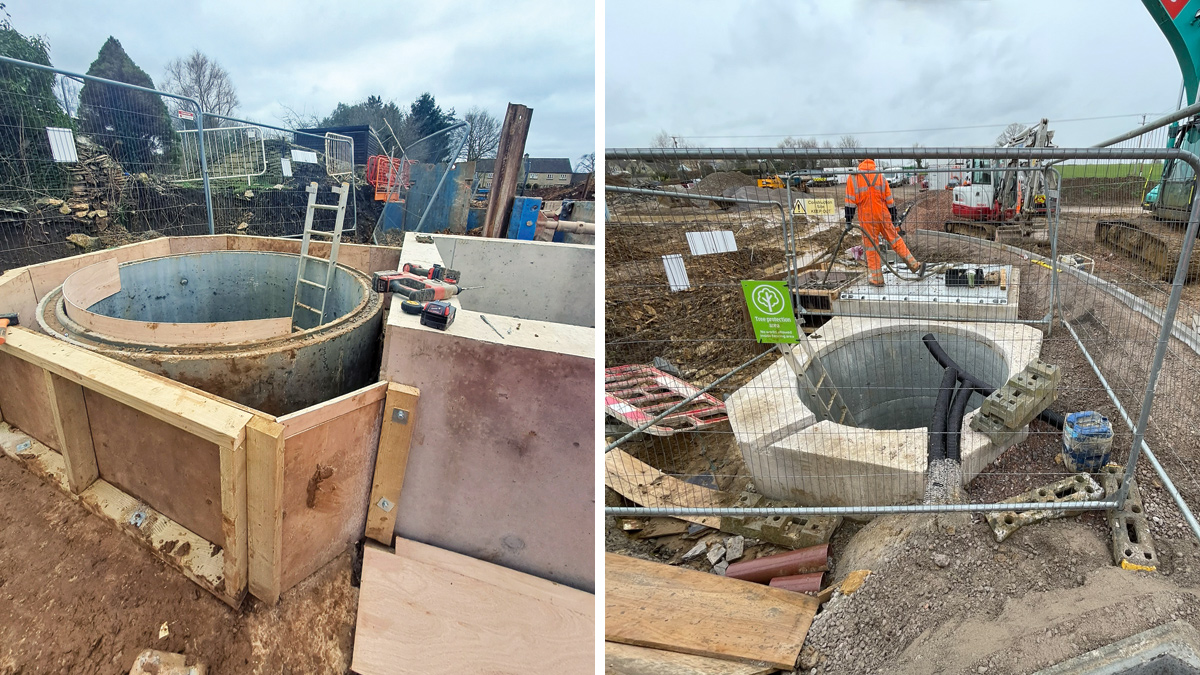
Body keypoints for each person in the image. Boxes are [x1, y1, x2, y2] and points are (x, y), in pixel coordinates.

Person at [844, 158, 923, 286]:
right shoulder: (879, 176)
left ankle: (877, 278)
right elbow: (889, 199)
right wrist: (893, 216)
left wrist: (848, 220)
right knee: (895, 239)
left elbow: (849, 202)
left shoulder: (854, 178)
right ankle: (914, 264)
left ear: (859, 162)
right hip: (883, 214)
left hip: (867, 218)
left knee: (871, 247)